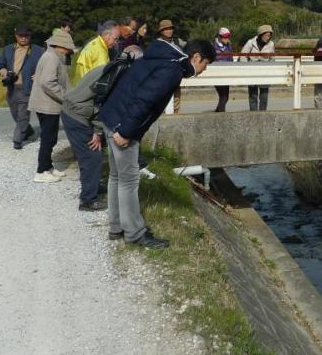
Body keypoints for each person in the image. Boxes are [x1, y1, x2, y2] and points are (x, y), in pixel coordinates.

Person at [98, 38, 216, 248]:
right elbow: (145, 100)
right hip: (123, 123)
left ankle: (116, 227)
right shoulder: (172, 70)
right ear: (196, 57)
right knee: (129, 179)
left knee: (116, 176)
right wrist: (125, 131)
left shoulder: (162, 57)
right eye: (205, 65)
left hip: (112, 114)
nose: (204, 70)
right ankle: (134, 233)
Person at [61, 45, 144, 211]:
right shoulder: (118, 74)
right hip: (76, 115)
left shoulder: (112, 67)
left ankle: (92, 185)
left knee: (94, 154)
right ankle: (87, 200)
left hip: (76, 110)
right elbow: (104, 103)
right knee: (92, 157)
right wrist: (98, 132)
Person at [28, 29, 76, 182]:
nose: (69, 50)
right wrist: (65, 96)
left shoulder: (52, 55)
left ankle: (48, 167)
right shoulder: (51, 57)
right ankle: (41, 171)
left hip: (48, 104)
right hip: (47, 105)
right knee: (48, 138)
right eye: (68, 47)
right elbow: (48, 82)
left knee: (51, 137)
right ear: (61, 45)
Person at [0, 26, 44, 149]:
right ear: (16, 36)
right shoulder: (8, 49)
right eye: (20, 35)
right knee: (16, 115)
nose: (23, 38)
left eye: (26, 35)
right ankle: (28, 131)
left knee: (23, 115)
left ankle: (17, 140)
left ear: (30, 36)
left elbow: (47, 66)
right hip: (12, 88)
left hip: (28, 88)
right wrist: (4, 72)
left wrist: (40, 74)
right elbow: (0, 64)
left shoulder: (38, 50)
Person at [239, 24, 275, 111]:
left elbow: (272, 58)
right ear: (261, 35)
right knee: (253, 95)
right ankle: (253, 114)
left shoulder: (271, 44)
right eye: (266, 35)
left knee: (264, 96)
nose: (268, 37)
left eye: (269, 36)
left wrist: (271, 69)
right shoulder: (251, 42)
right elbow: (243, 56)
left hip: (265, 72)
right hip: (252, 71)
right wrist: (247, 68)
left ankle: (263, 113)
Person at [212, 27, 233, 112]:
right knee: (223, 96)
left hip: (226, 74)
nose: (227, 39)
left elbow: (230, 59)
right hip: (216, 74)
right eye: (225, 37)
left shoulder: (229, 46)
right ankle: (221, 117)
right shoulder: (213, 46)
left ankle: (217, 113)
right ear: (220, 37)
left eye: (228, 37)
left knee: (226, 97)